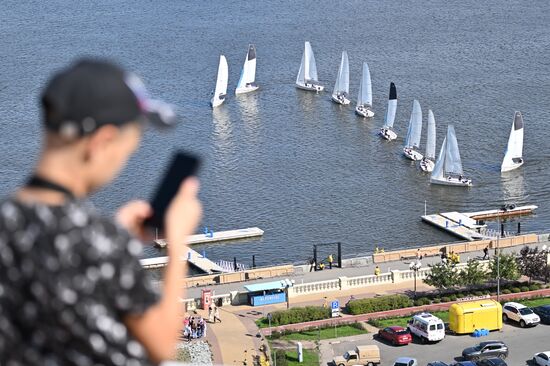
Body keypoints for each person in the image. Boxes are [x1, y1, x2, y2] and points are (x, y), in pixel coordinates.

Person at [0, 59, 202, 365]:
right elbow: (161, 343)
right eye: (128, 150)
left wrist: (118, 236)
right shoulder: (97, 242)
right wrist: (178, 248)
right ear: (101, 142)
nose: (124, 162)